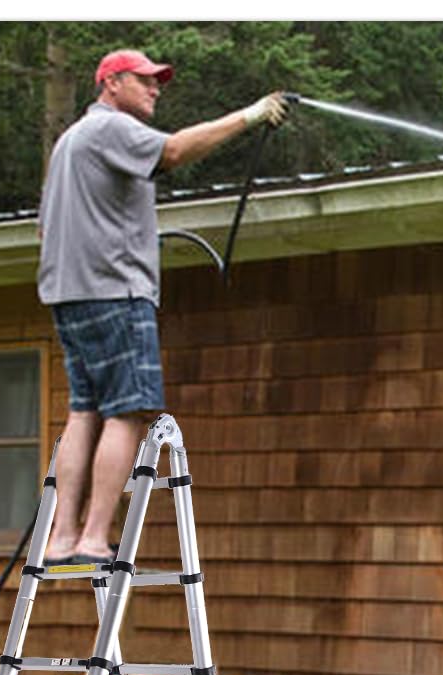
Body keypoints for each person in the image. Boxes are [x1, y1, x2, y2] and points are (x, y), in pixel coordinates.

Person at [39, 50, 287, 560]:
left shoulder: (69, 143)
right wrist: (251, 115)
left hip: (69, 295)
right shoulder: (110, 129)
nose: (156, 89)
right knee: (128, 412)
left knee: (85, 410)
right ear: (111, 83)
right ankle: (92, 536)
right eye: (145, 81)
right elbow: (173, 152)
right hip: (116, 293)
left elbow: (50, 227)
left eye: (159, 83)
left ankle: (63, 534)